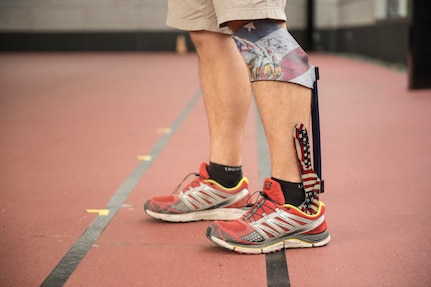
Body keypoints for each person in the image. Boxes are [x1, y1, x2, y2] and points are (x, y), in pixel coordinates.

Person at [144, 0, 330, 254]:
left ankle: (296, 202)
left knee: (258, 25)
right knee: (207, 32)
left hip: (297, 203)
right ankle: (224, 179)